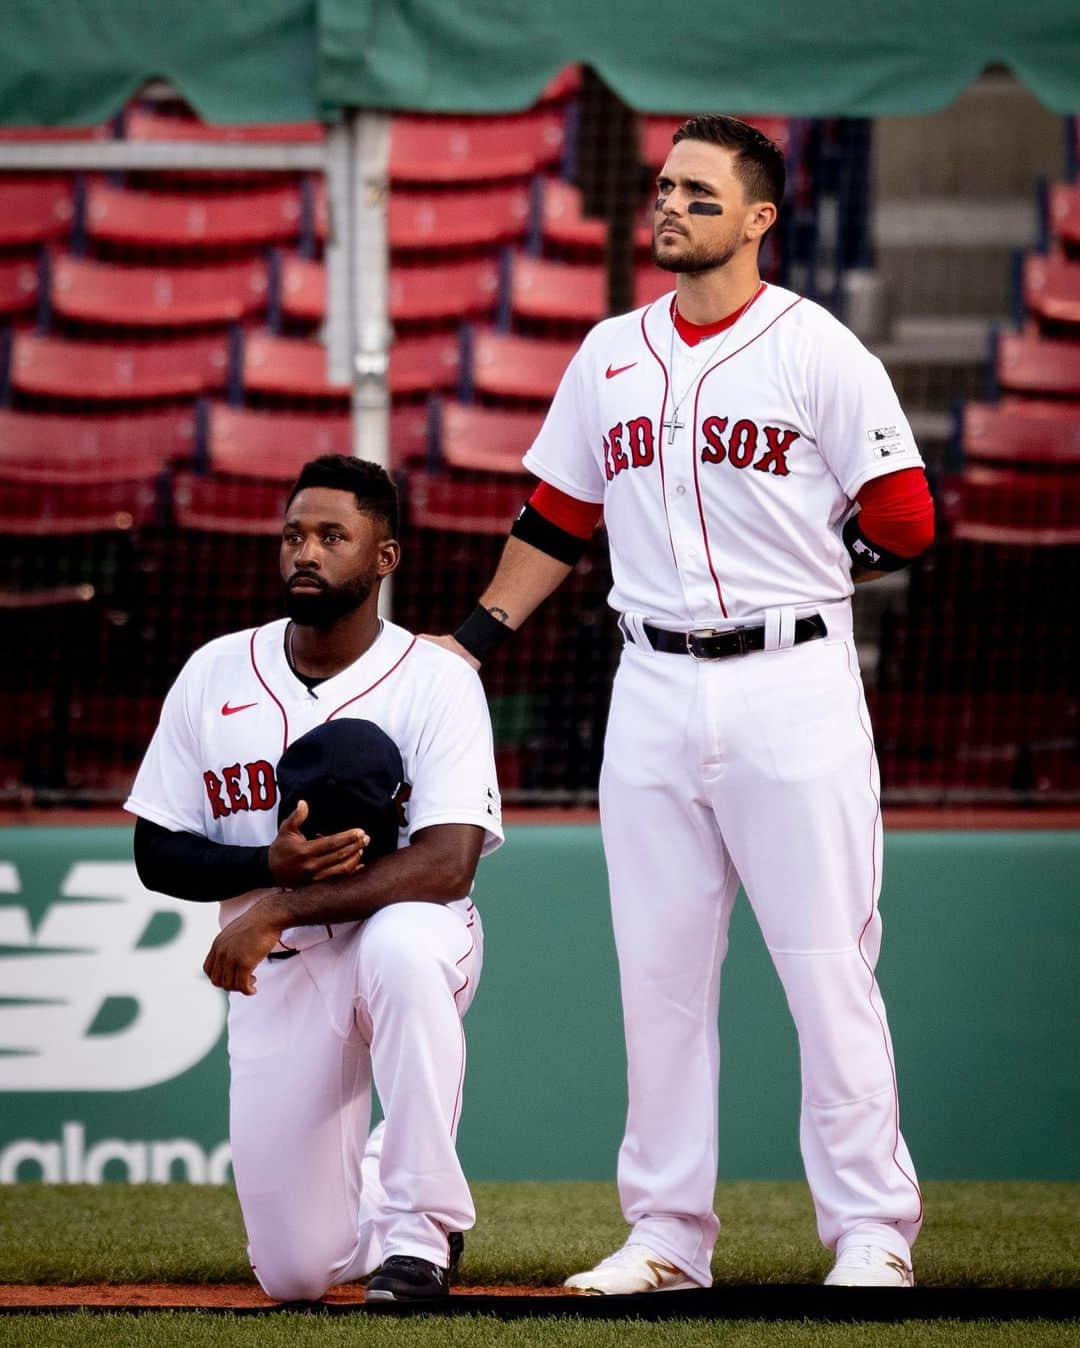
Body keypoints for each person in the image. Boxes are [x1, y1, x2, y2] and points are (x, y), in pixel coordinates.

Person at [433, 116, 933, 1292]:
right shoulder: (609, 351)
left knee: (826, 967)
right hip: (649, 681)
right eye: (665, 188)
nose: (672, 207)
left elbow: (905, 517)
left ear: (760, 218)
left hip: (792, 679)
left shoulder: (819, 349)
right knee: (656, 977)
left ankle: (871, 1233)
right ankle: (665, 1236)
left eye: (701, 194)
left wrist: (816, 568)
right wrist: (468, 643)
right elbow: (556, 519)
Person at [126, 454, 502, 1303]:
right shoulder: (215, 671)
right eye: (295, 533)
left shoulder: (437, 678)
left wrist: (280, 905)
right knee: (297, 1273)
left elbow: (448, 864)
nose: (307, 551)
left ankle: (421, 1232)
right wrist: (266, 871)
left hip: (411, 926)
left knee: (403, 955)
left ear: (384, 557)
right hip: (286, 973)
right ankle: (383, 1183)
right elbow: (157, 850)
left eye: (334, 535)